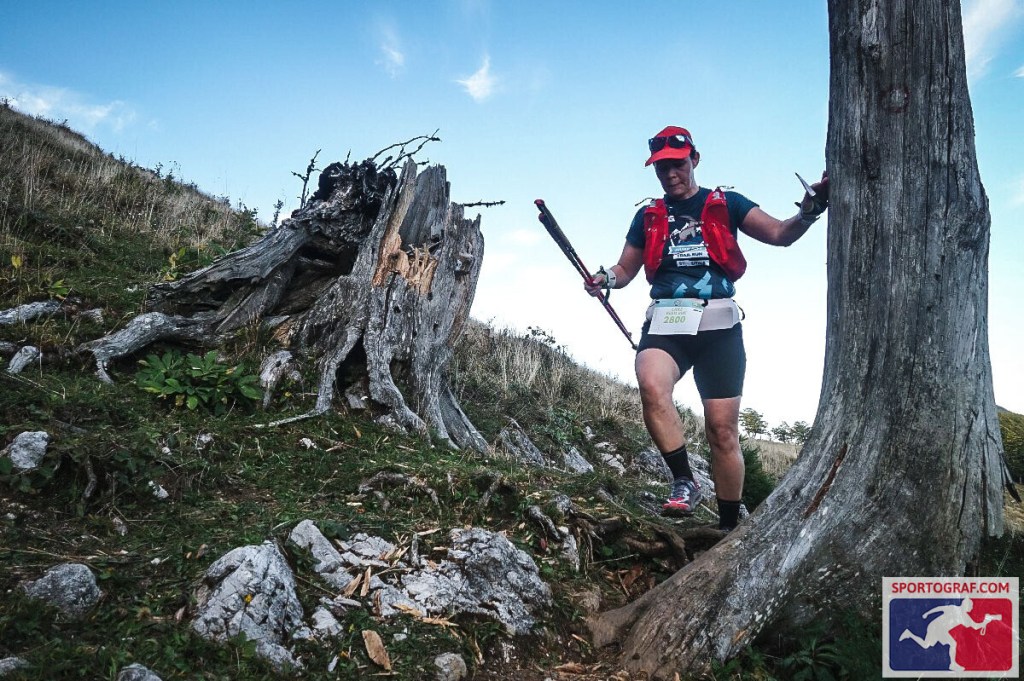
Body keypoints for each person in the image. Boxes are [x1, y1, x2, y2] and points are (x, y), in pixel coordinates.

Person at [585, 125, 828, 531]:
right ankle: (685, 480)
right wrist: (604, 279)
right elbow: (625, 269)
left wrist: (808, 211)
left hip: (718, 326)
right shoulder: (647, 216)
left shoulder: (728, 203)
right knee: (651, 383)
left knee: (722, 431)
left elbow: (780, 234)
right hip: (667, 321)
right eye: (661, 168)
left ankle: (728, 526)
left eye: (677, 165)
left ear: (694, 159)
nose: (670, 174)